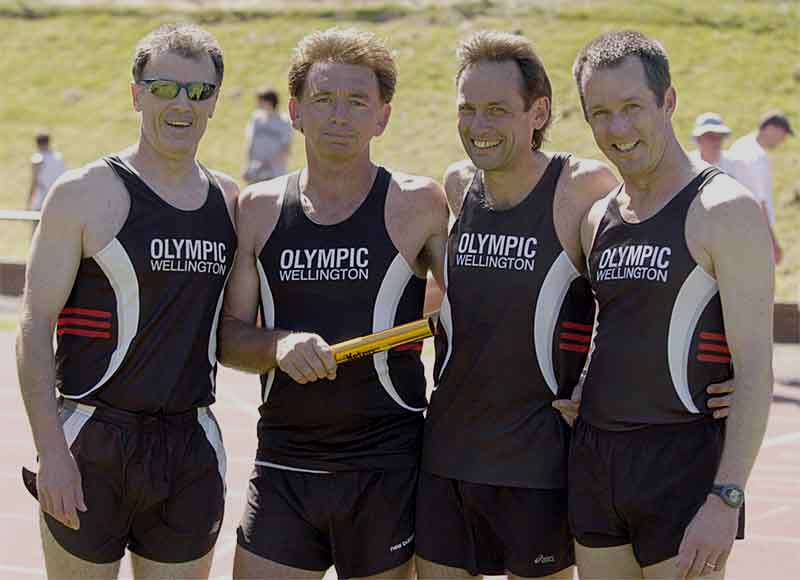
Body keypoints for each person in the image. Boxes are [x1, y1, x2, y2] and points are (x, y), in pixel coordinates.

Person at [415, 31, 734, 580]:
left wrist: (728, 366)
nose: (479, 124)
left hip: (540, 463)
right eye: (467, 108)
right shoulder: (458, 183)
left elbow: (639, 288)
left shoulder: (584, 185)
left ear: (538, 112)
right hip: (447, 452)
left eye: (497, 109)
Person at [217, 28, 448, 580]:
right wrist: (279, 345)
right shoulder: (258, 208)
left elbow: (478, 313)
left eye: (357, 102)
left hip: (385, 467)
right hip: (285, 463)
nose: (339, 116)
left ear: (382, 117)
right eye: (323, 99)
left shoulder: (418, 204)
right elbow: (228, 338)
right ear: (295, 112)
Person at [16, 23, 237, 579]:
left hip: (190, 444)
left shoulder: (230, 200)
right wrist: (51, 453)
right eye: (164, 88)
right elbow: (34, 324)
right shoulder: (83, 193)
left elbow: (238, 327)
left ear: (215, 101)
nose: (182, 104)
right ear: (137, 93)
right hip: (92, 441)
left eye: (199, 91)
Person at [568, 30, 773, 579]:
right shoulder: (597, 217)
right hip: (596, 460)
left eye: (632, 107)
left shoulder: (724, 209)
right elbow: (616, 326)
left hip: (682, 464)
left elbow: (755, 369)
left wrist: (726, 498)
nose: (617, 129)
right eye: (600, 113)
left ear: (669, 101)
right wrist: (585, 384)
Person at [726, 110, 794, 264]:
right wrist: (772, 241)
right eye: (782, 134)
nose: (783, 141)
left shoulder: (740, 144)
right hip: (752, 228)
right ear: (770, 128)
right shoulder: (757, 156)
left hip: (732, 223)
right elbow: (760, 202)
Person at [243, 86, 293, 184]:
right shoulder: (256, 118)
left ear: (270, 102)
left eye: (261, 101)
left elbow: (285, 148)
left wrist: (266, 164)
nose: (258, 104)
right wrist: (247, 166)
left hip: (276, 174)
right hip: (256, 173)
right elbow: (250, 143)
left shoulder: (284, 121)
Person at [28, 131, 66, 212]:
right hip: (58, 200)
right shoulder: (59, 157)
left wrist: (28, 202)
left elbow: (34, 182)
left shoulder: (37, 159)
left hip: (42, 201)